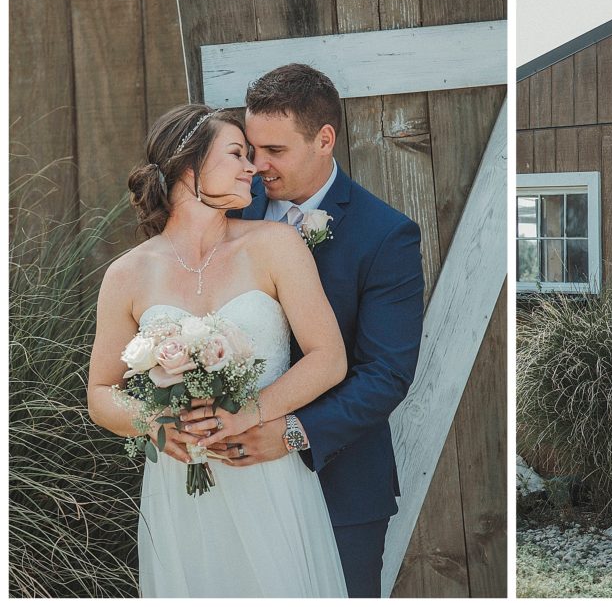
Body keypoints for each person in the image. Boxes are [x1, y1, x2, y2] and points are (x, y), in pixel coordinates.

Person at [87, 104, 349, 597]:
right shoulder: (126, 274)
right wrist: (155, 423)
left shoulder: (276, 245)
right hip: (178, 484)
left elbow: (328, 358)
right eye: (237, 154)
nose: (252, 167)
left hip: (267, 475)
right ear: (189, 165)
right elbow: (101, 393)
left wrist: (249, 413)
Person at [205, 63, 425, 598]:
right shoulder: (225, 215)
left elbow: (386, 374)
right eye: (250, 149)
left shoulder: (386, 235)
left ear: (324, 139)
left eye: (274, 151)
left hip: (340, 481)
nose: (256, 166)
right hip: (234, 483)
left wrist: (292, 433)